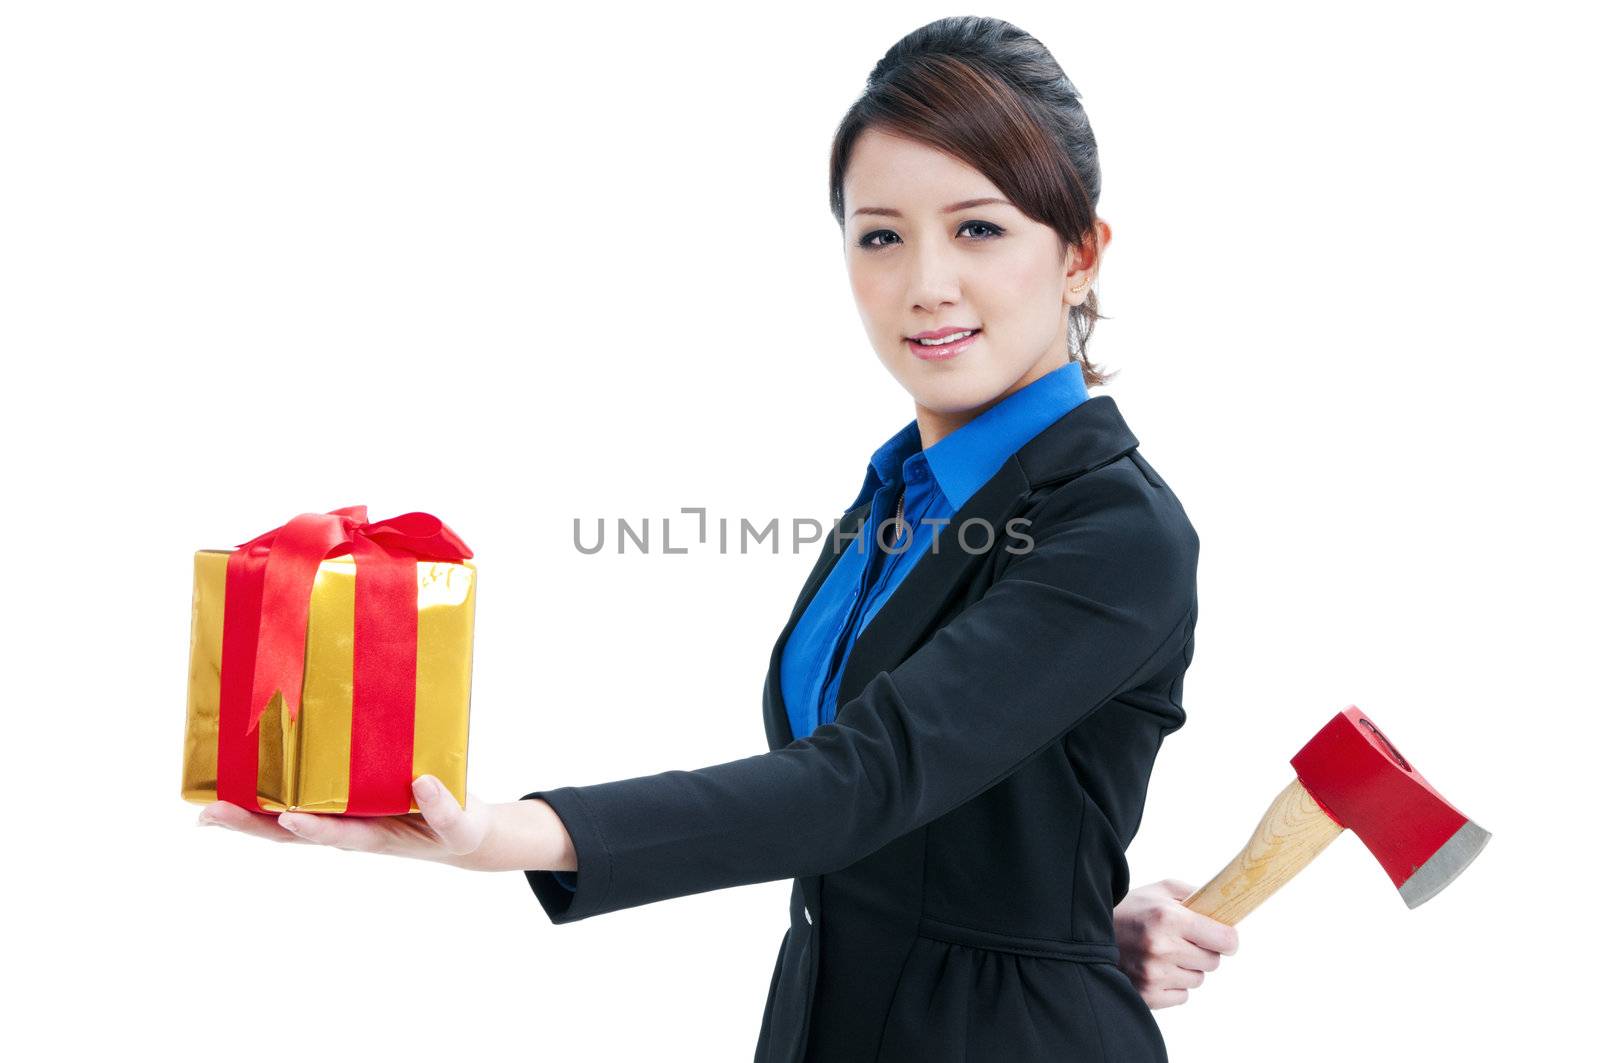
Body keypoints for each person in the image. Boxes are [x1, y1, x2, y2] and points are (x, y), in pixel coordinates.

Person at [198, 15, 1240, 1060]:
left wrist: (503, 831)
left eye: (978, 229)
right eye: (880, 234)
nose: (925, 282)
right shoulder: (902, 494)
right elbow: (923, 818)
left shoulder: (1118, 534)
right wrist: (1058, 921)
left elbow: (862, 779)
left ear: (1079, 254)